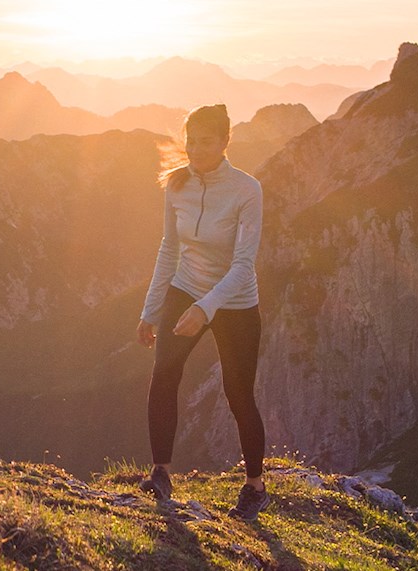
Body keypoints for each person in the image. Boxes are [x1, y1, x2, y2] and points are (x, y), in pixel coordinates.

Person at [136, 104, 270, 521]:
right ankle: (160, 473)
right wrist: (151, 309)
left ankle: (255, 487)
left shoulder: (247, 190)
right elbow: (168, 249)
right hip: (186, 287)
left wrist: (205, 308)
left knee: (238, 393)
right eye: (190, 140)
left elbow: (243, 263)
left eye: (205, 141)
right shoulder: (176, 185)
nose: (195, 149)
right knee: (164, 374)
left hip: (234, 301)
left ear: (225, 142)